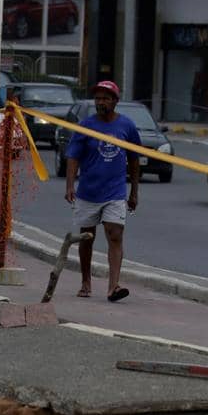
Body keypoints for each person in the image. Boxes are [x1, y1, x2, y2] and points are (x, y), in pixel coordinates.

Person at [64, 79, 140, 303]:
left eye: (106, 98)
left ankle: (113, 286)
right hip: (88, 192)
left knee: (115, 234)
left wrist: (134, 191)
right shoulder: (85, 126)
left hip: (115, 192)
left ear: (115, 101)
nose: (101, 102)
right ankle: (86, 281)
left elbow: (134, 160)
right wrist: (70, 185)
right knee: (87, 238)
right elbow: (73, 157)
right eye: (97, 98)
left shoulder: (126, 126)